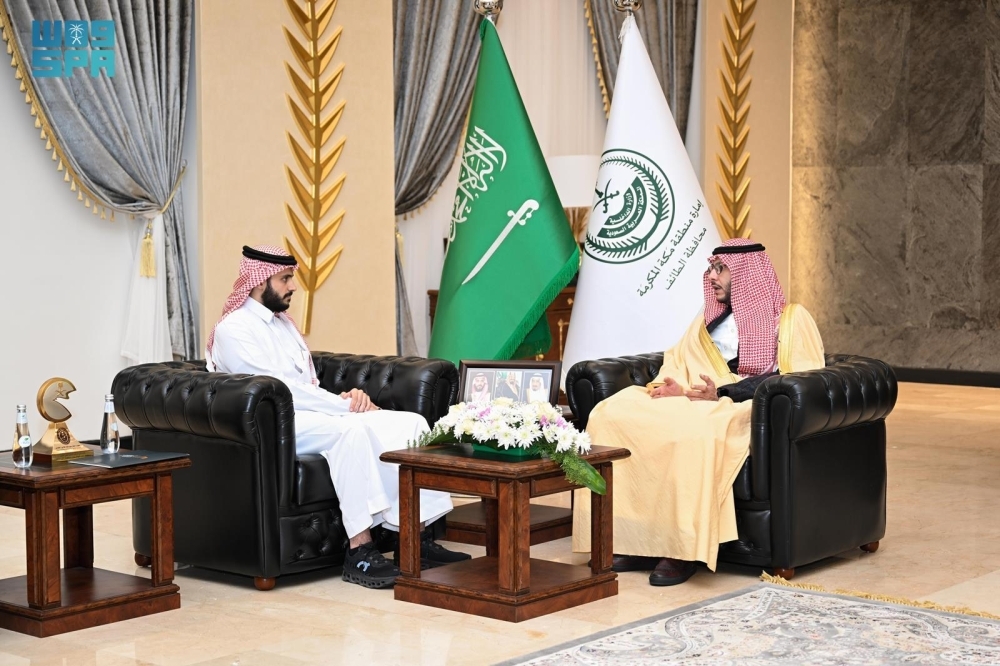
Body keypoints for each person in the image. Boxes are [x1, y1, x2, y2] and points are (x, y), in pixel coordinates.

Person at [207, 245, 470, 589]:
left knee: (411, 425)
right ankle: (359, 551)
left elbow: (307, 384)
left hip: (313, 413)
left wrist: (346, 399)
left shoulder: (283, 325)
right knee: (350, 433)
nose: (292, 286)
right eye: (285, 279)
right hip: (274, 426)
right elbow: (279, 389)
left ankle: (416, 541)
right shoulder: (234, 329)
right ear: (259, 281)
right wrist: (341, 406)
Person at [572, 239, 824, 586]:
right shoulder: (708, 321)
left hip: (748, 404)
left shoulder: (792, 319)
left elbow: (798, 377)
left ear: (746, 273)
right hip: (696, 395)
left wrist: (723, 392)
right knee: (611, 414)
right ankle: (630, 539)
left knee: (694, 430)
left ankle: (681, 549)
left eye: (720, 269)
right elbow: (679, 360)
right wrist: (675, 387)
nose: (712, 276)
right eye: (711, 269)